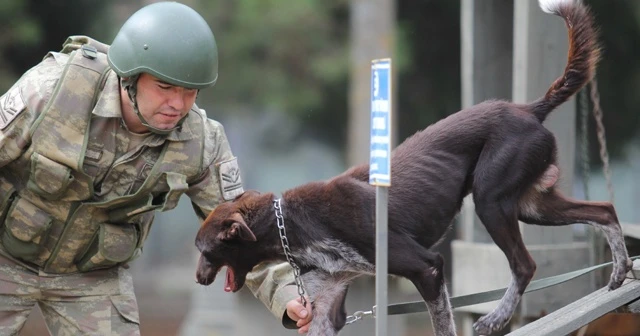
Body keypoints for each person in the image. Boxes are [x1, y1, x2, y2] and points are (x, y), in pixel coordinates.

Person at [0, 2, 312, 335]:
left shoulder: (200, 143)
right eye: (164, 87)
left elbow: (243, 232)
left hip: (91, 277)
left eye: (189, 91)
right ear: (129, 79)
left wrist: (289, 297)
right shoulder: (52, 91)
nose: (178, 104)